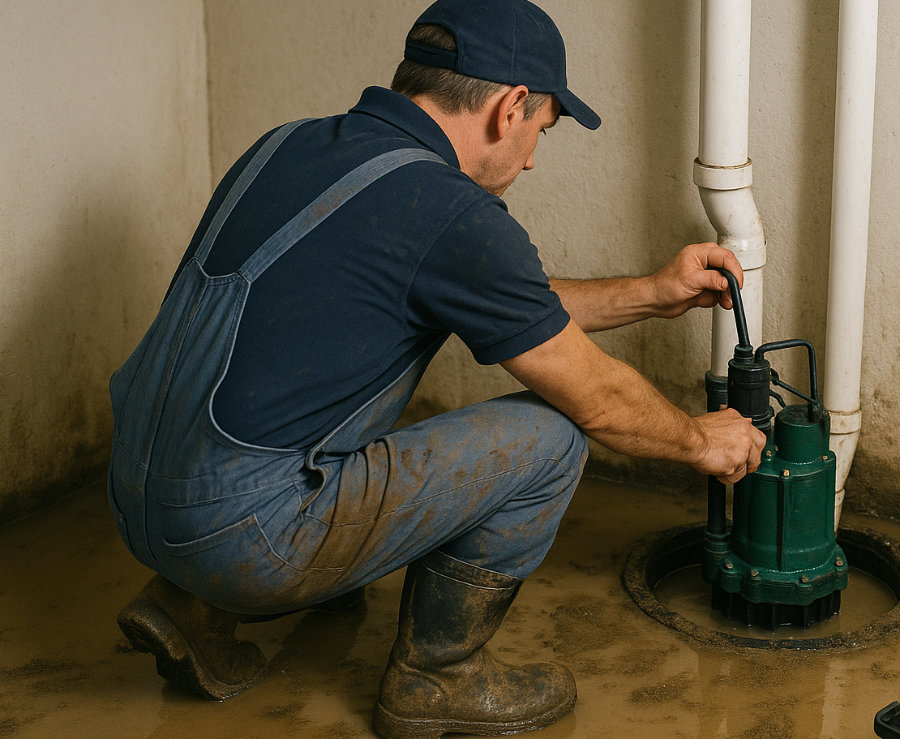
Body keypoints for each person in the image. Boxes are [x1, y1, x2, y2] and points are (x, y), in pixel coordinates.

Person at [106, 0, 765, 736]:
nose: (533, 158)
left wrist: (651, 293)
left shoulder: (290, 145)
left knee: (320, 376)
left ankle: (186, 603)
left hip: (136, 496)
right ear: (510, 106)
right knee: (550, 439)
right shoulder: (452, 214)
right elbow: (600, 400)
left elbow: (510, 303)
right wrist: (702, 440)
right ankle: (437, 677)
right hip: (244, 535)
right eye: (541, 130)